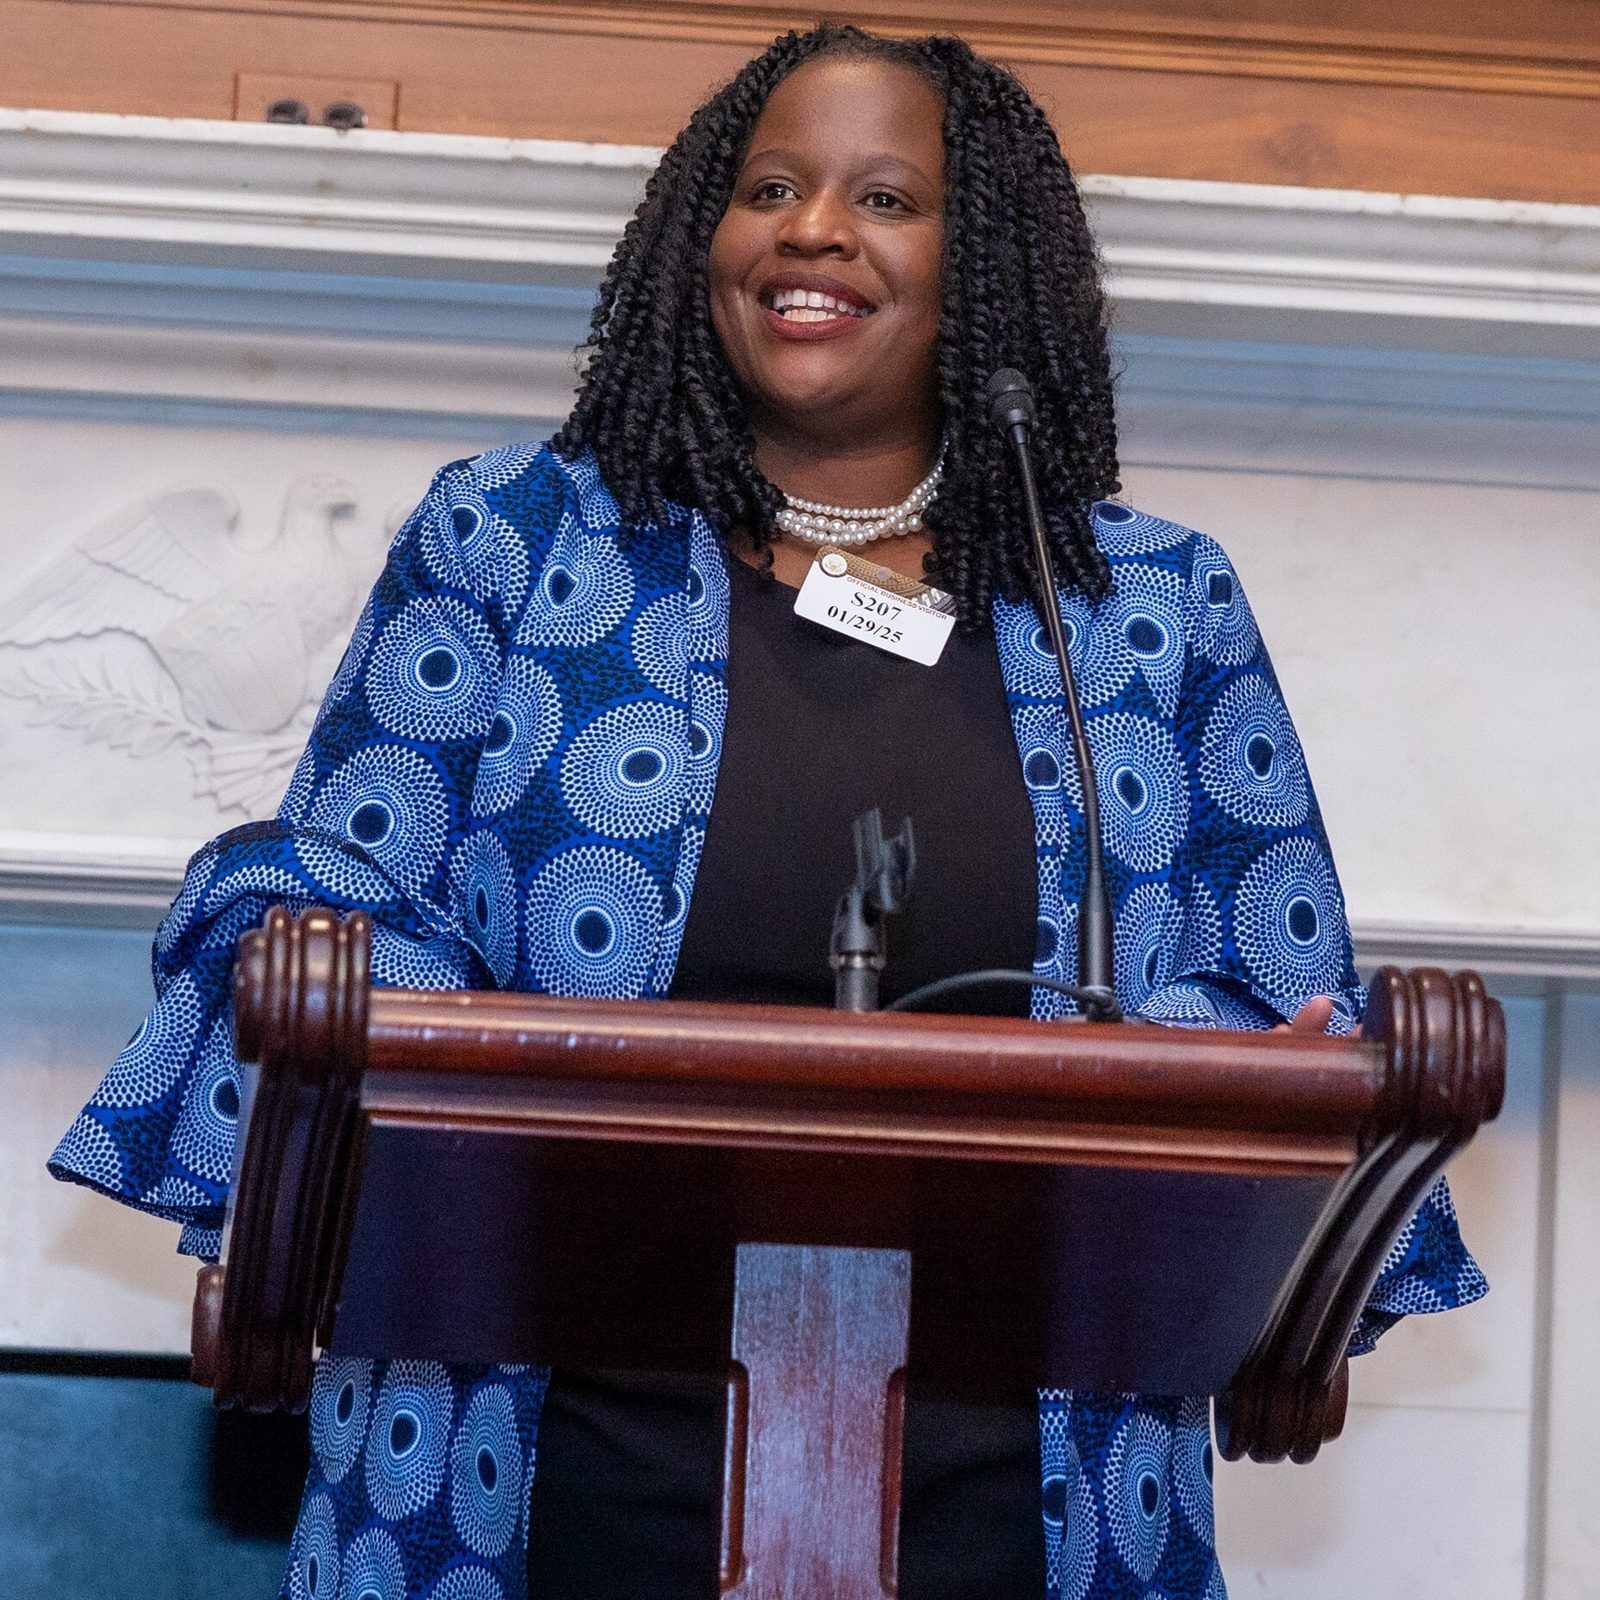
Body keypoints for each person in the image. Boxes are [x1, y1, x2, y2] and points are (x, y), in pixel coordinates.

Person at [50, 24, 1486, 1600]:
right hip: (534, 1458)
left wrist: (1250, 1082)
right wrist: (399, 1030)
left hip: (1028, 1488)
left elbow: (1277, 988)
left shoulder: (1146, 610)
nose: (812, 230)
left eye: (886, 197)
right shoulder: (519, 545)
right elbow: (340, 894)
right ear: (702, 241)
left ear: (985, 264)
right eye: (769, 188)